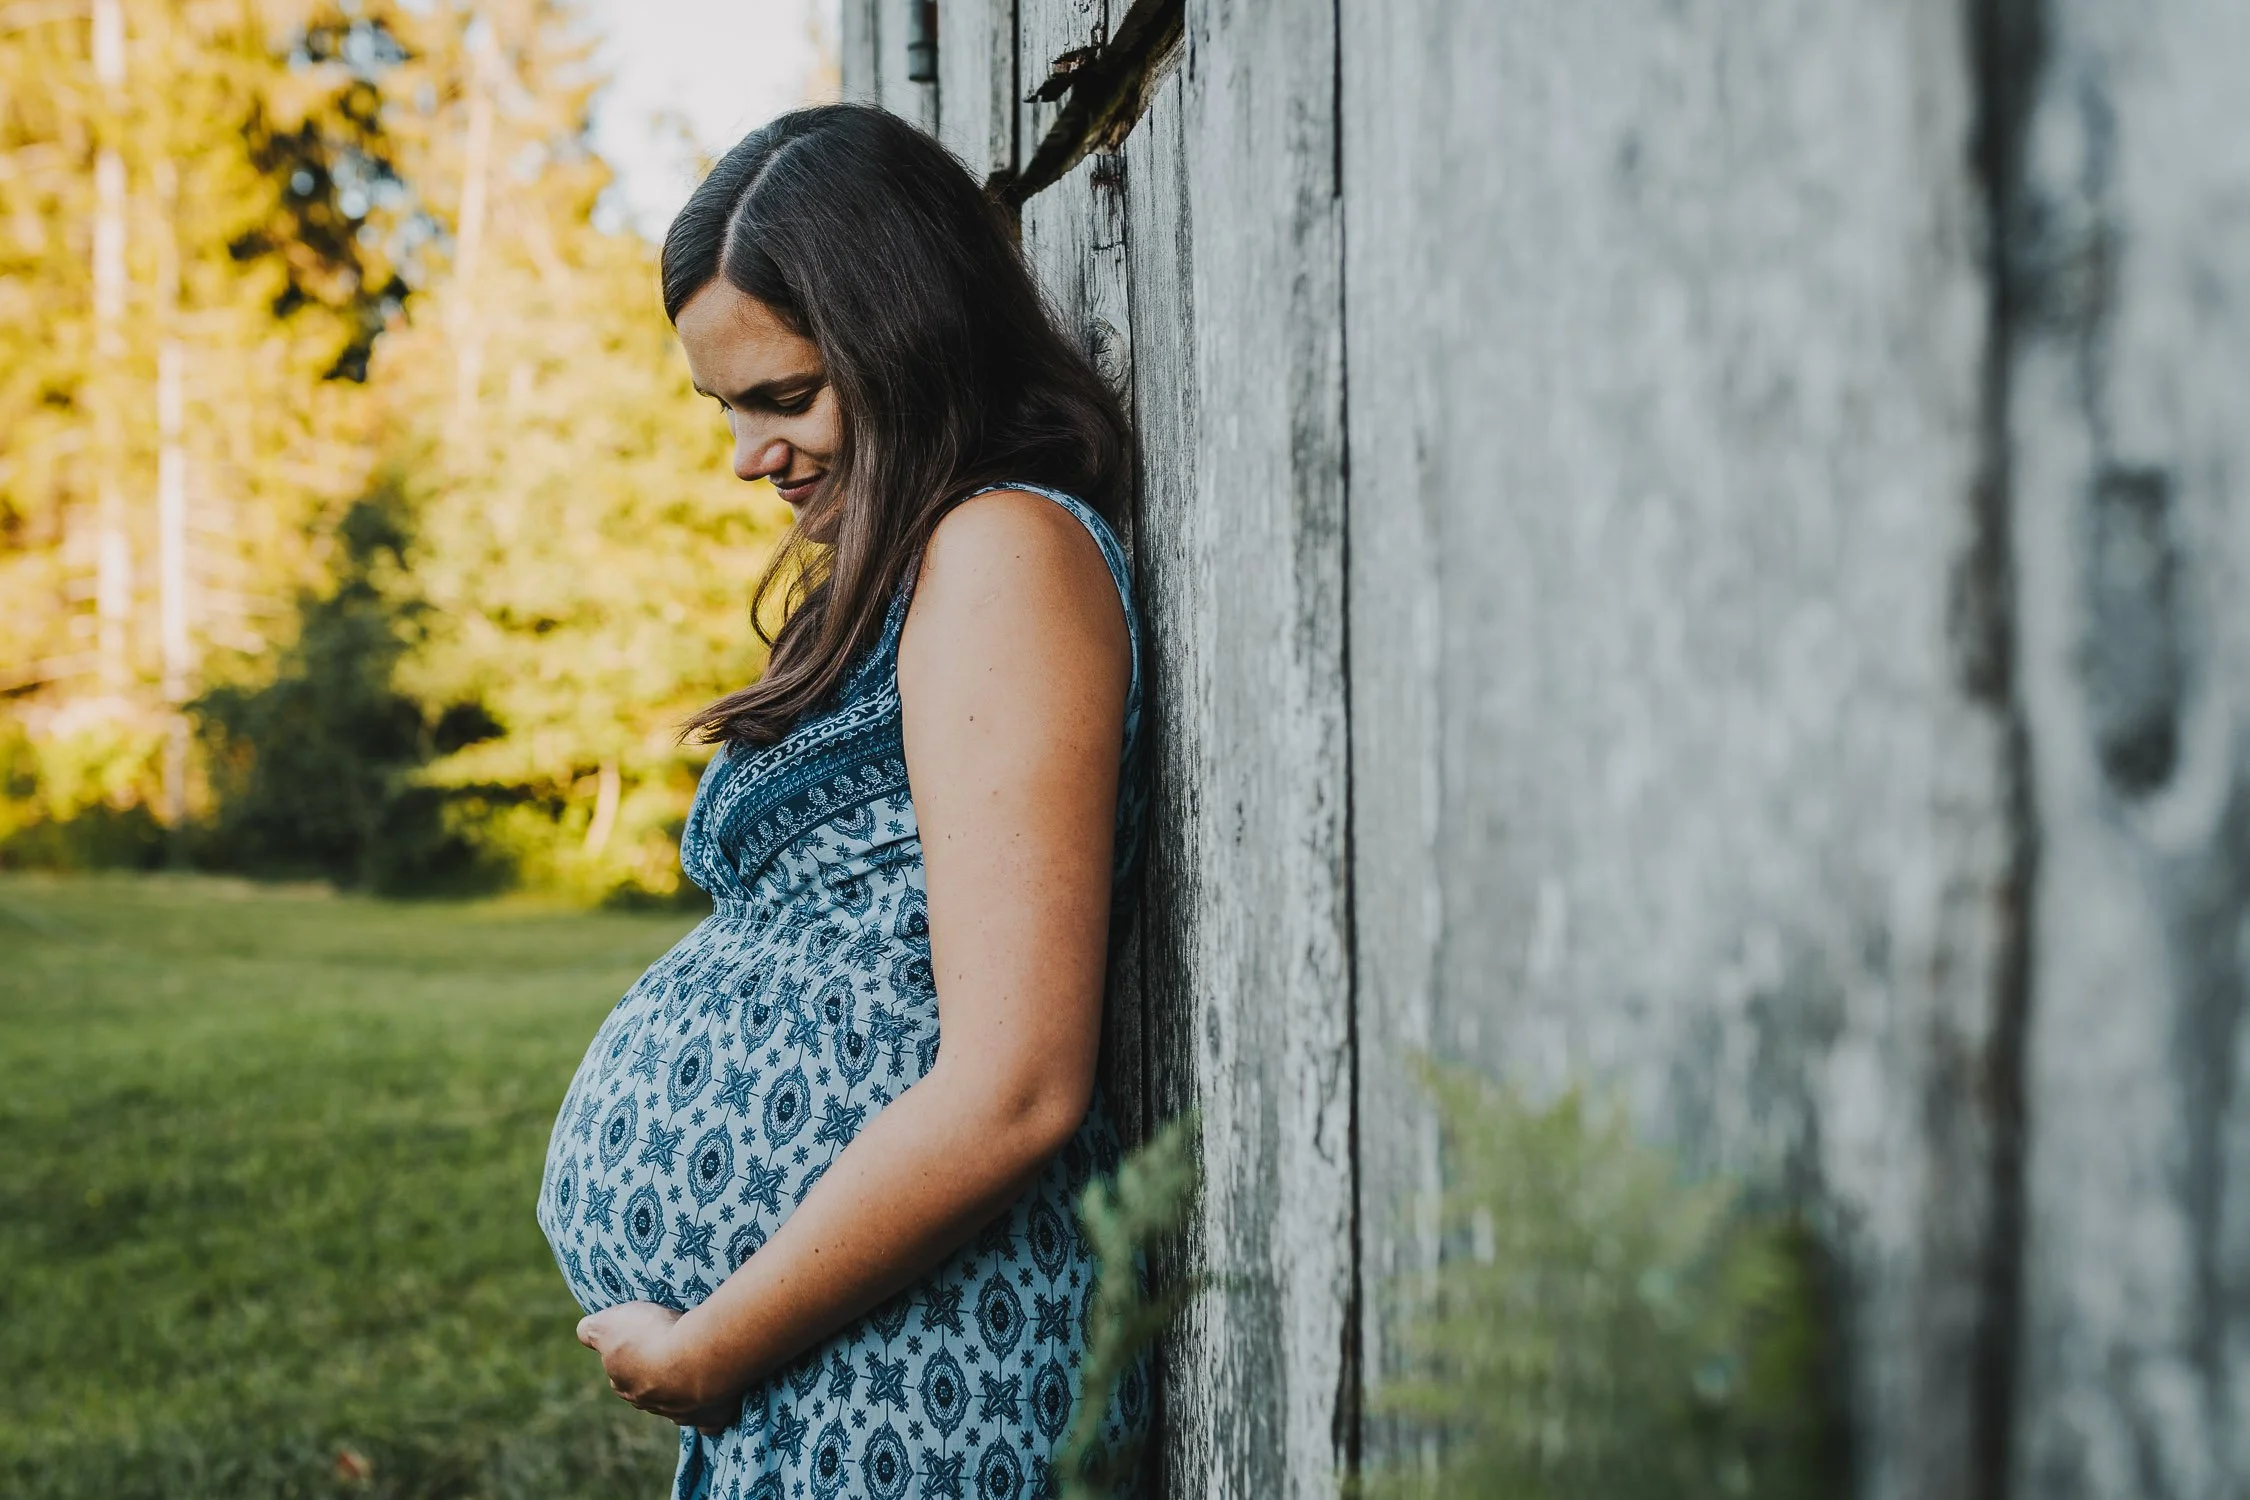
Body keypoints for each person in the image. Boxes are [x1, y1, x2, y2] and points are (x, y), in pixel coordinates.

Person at [533, 103, 1150, 1500]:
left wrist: (708, 1353)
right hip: (850, 1352)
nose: (749, 456)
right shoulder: (927, 558)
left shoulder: (1002, 552)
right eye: (726, 407)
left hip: (919, 1363)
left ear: (908, 343)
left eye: (784, 396)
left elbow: (1015, 1086)